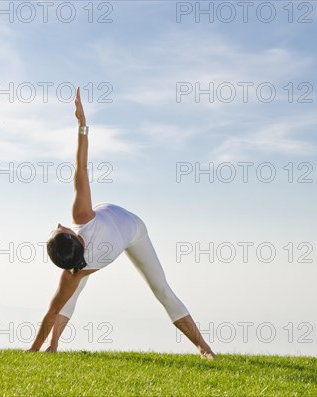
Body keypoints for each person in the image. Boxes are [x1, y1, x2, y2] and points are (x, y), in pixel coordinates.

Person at [26, 87, 216, 359]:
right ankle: (205, 349)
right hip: (132, 229)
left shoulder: (74, 272)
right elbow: (80, 167)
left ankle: (202, 346)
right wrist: (82, 126)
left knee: (79, 293)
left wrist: (31, 349)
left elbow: (53, 309)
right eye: (62, 229)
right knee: (160, 289)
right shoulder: (81, 217)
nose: (61, 223)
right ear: (76, 237)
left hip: (131, 232)